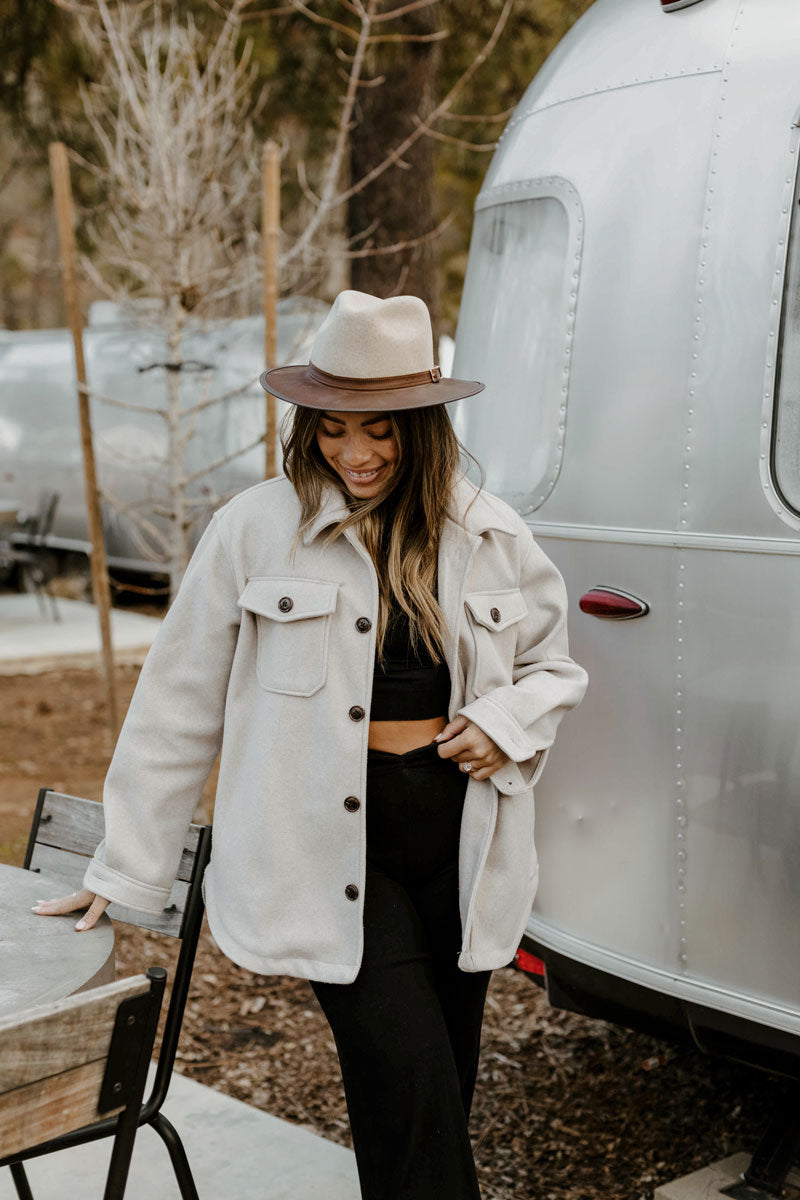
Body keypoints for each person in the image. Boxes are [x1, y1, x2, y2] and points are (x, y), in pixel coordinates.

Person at [33, 290, 588, 1200]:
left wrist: (503, 725)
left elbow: (554, 669)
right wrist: (125, 865)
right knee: (412, 1084)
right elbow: (177, 703)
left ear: (426, 427)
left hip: (457, 843)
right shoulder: (257, 528)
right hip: (325, 847)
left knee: (430, 1088)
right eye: (331, 429)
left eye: (381, 431)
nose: (354, 453)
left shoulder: (488, 531)